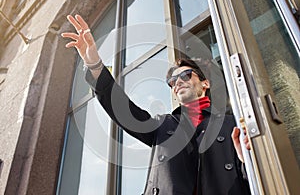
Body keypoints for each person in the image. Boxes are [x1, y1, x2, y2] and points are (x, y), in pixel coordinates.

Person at [62, 14, 251, 195]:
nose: (177, 82)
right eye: (172, 81)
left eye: (185, 75)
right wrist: (94, 64)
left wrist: (246, 161)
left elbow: (251, 180)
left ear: (205, 83)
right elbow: (122, 109)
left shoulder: (230, 124)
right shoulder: (163, 125)